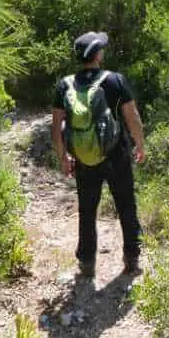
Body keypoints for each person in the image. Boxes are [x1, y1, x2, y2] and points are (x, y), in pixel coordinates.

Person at [51, 30, 146, 278]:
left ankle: (87, 263)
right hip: (116, 155)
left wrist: (64, 157)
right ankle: (132, 259)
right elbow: (132, 117)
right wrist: (140, 144)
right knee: (126, 205)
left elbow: (56, 127)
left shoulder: (65, 85)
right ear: (98, 54)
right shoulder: (114, 80)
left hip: (84, 159)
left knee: (87, 209)